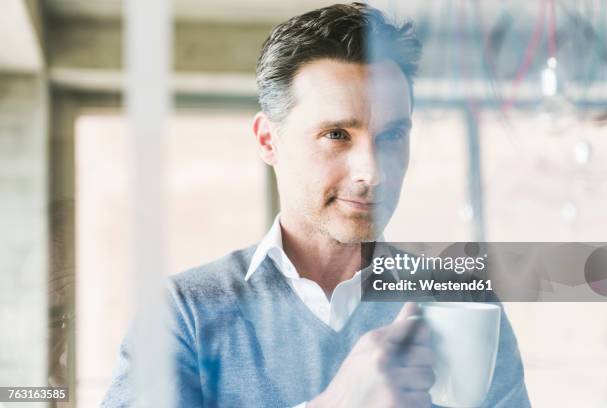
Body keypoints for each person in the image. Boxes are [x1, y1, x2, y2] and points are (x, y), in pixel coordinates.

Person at [102, 3, 530, 407]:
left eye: (393, 135)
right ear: (269, 140)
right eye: (337, 135)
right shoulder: (184, 313)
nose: (373, 172)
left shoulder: (466, 305)